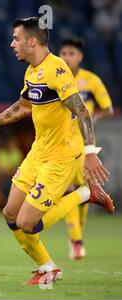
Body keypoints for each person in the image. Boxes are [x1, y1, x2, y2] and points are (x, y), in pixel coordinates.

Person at [0, 17, 115, 286]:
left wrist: (90, 152)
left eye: (16, 39)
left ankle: (85, 193)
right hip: (39, 151)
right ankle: (48, 268)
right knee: (10, 213)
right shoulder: (32, 71)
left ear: (32, 41)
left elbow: (82, 112)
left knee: (27, 222)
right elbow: (23, 107)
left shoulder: (57, 70)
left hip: (62, 156)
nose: (12, 44)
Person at [59, 37, 114, 260]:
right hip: (61, 144)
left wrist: (93, 117)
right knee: (70, 190)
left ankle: (76, 236)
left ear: (80, 57)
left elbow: (108, 109)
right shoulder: (57, 79)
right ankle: (77, 240)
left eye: (71, 53)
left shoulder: (91, 81)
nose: (67, 57)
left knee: (83, 191)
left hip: (85, 145)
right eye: (63, 53)